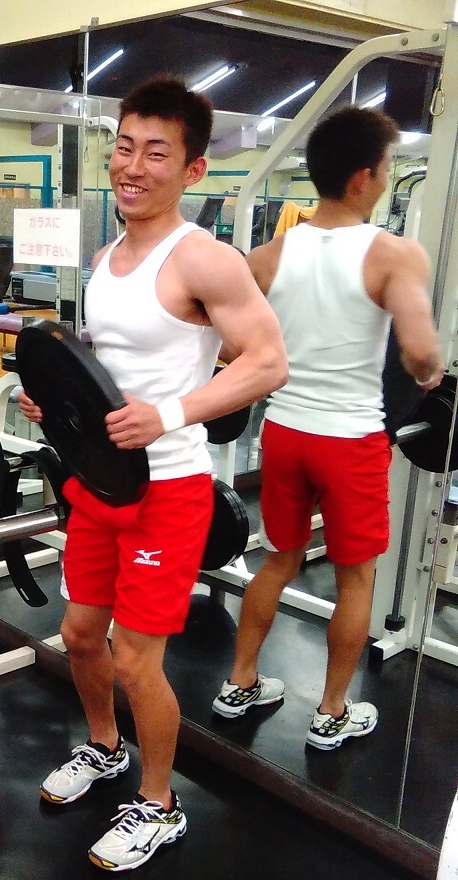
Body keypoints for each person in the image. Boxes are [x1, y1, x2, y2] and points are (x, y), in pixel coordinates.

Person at [19, 76, 288, 872]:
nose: (133, 167)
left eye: (156, 153)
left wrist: (169, 414)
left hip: (168, 492)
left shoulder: (205, 258)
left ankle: (160, 803)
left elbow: (268, 362)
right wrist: (60, 410)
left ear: (194, 169)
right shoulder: (107, 258)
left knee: (138, 659)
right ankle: (105, 748)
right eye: (125, 148)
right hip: (100, 483)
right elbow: (112, 376)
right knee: (79, 635)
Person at [213, 105, 445, 749]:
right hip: (351, 441)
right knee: (356, 579)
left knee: (276, 561)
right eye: (387, 168)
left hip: (284, 432)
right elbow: (421, 353)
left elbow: (230, 348)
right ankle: (333, 712)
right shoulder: (394, 255)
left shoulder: (267, 256)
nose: (387, 178)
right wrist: (429, 374)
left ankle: (239, 681)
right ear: (363, 177)